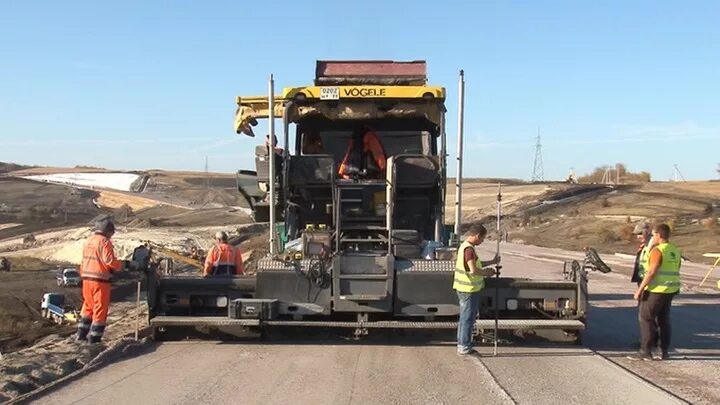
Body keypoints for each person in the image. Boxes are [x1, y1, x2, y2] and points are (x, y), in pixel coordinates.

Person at [628, 223, 681, 361]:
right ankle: (664, 351)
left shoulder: (658, 250)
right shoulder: (674, 249)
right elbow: (677, 268)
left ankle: (645, 351)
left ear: (658, 235)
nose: (653, 237)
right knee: (664, 320)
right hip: (670, 290)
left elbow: (651, 272)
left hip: (656, 290)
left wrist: (639, 290)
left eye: (654, 234)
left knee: (646, 318)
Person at [454, 223, 501, 355]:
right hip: (468, 289)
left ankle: (462, 344)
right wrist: (487, 273)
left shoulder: (465, 247)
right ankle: (464, 346)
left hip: (465, 288)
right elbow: (473, 270)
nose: (482, 241)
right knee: (467, 318)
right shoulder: (469, 249)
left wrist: (492, 262)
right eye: (482, 238)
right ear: (477, 236)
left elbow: (475, 264)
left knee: (465, 318)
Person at [77, 218, 122, 344]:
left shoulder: (88, 241)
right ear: (108, 231)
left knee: (88, 307)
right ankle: (95, 338)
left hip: (86, 279)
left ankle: (81, 335)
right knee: (100, 309)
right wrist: (121, 266)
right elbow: (109, 261)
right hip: (100, 280)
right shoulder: (104, 242)